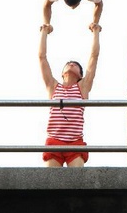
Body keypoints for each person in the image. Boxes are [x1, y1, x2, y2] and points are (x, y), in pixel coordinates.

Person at [38, 22, 101, 167]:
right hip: (54, 140)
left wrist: (96, 32)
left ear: (80, 74)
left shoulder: (82, 87)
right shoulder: (53, 86)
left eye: (76, 65)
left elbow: (94, 57)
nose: (71, 64)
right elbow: (42, 57)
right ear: (62, 73)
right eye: (68, 63)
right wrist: (44, 32)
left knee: (77, 183)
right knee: (51, 184)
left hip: (75, 141)